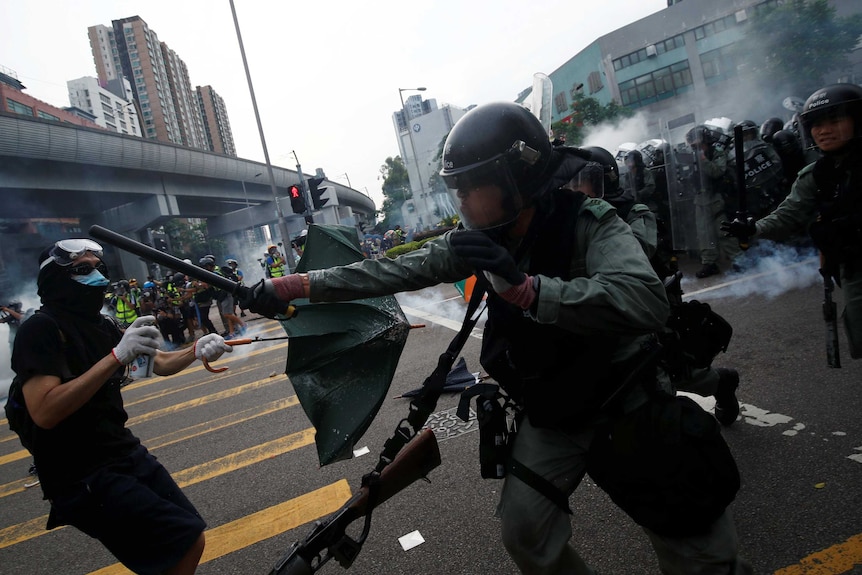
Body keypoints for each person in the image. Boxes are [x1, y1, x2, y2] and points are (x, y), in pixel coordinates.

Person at [241, 102, 750, 574]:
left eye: (471, 186)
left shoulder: (589, 222)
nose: (461, 199)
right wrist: (299, 286)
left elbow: (643, 300)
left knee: (695, 547)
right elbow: (392, 271)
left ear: (515, 180)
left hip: (627, 400)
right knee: (526, 532)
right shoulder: (481, 240)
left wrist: (531, 293)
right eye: (456, 188)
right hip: (554, 408)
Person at [10, 238, 232, 574]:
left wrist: (196, 349)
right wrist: (116, 356)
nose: (97, 277)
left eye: (100, 268)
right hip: (79, 472)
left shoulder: (103, 326)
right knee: (179, 543)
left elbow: (156, 363)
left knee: (190, 537)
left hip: (122, 451)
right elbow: (44, 410)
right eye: (83, 270)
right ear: (55, 279)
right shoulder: (40, 329)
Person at [580, 146, 741, 426]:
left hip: (646, 303)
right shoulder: (577, 216)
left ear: (605, 180)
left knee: (665, 368)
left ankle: (719, 383)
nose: (575, 187)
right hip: (604, 307)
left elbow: (638, 248)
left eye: (582, 179)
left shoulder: (633, 210)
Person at [723, 83, 862, 360]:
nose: (824, 130)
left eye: (834, 120)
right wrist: (754, 228)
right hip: (853, 267)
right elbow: (790, 213)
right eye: (817, 124)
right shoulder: (818, 174)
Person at [686, 125, 737, 278]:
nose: (696, 148)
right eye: (693, 146)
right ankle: (709, 263)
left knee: (723, 231)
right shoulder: (693, 156)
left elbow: (717, 171)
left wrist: (703, 160)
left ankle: (739, 260)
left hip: (716, 197)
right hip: (700, 198)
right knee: (704, 233)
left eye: (698, 145)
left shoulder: (717, 153)